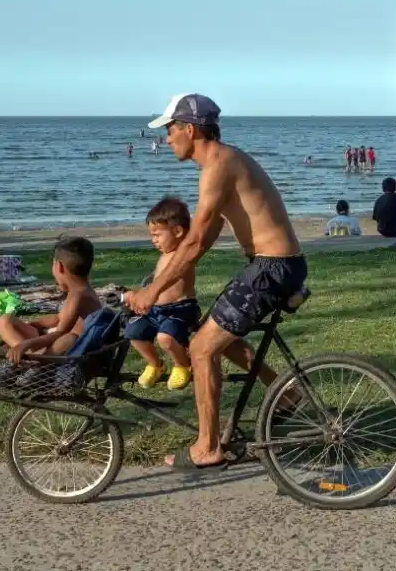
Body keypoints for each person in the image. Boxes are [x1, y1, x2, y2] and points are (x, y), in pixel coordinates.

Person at [124, 94, 307, 472]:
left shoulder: (218, 166)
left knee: (202, 348)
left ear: (189, 129)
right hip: (273, 266)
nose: (167, 138)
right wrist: (166, 279)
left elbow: (191, 241)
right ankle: (286, 395)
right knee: (217, 334)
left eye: (171, 130)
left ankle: (207, 447)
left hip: (272, 268)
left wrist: (152, 292)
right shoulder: (223, 163)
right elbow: (206, 236)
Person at [124, 197, 201, 390]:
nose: (154, 240)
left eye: (157, 234)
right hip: (156, 311)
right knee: (133, 332)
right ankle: (155, 364)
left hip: (180, 310)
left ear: (177, 231)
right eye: (152, 235)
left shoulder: (183, 255)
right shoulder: (164, 256)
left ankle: (182, 364)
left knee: (165, 338)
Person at [0, 236, 103, 361]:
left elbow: (60, 333)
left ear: (59, 267)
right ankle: (24, 352)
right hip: (50, 339)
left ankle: (30, 358)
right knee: (5, 320)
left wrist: (28, 343)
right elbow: (58, 318)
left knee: (66, 340)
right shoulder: (79, 292)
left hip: (62, 348)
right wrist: (32, 325)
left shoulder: (79, 296)